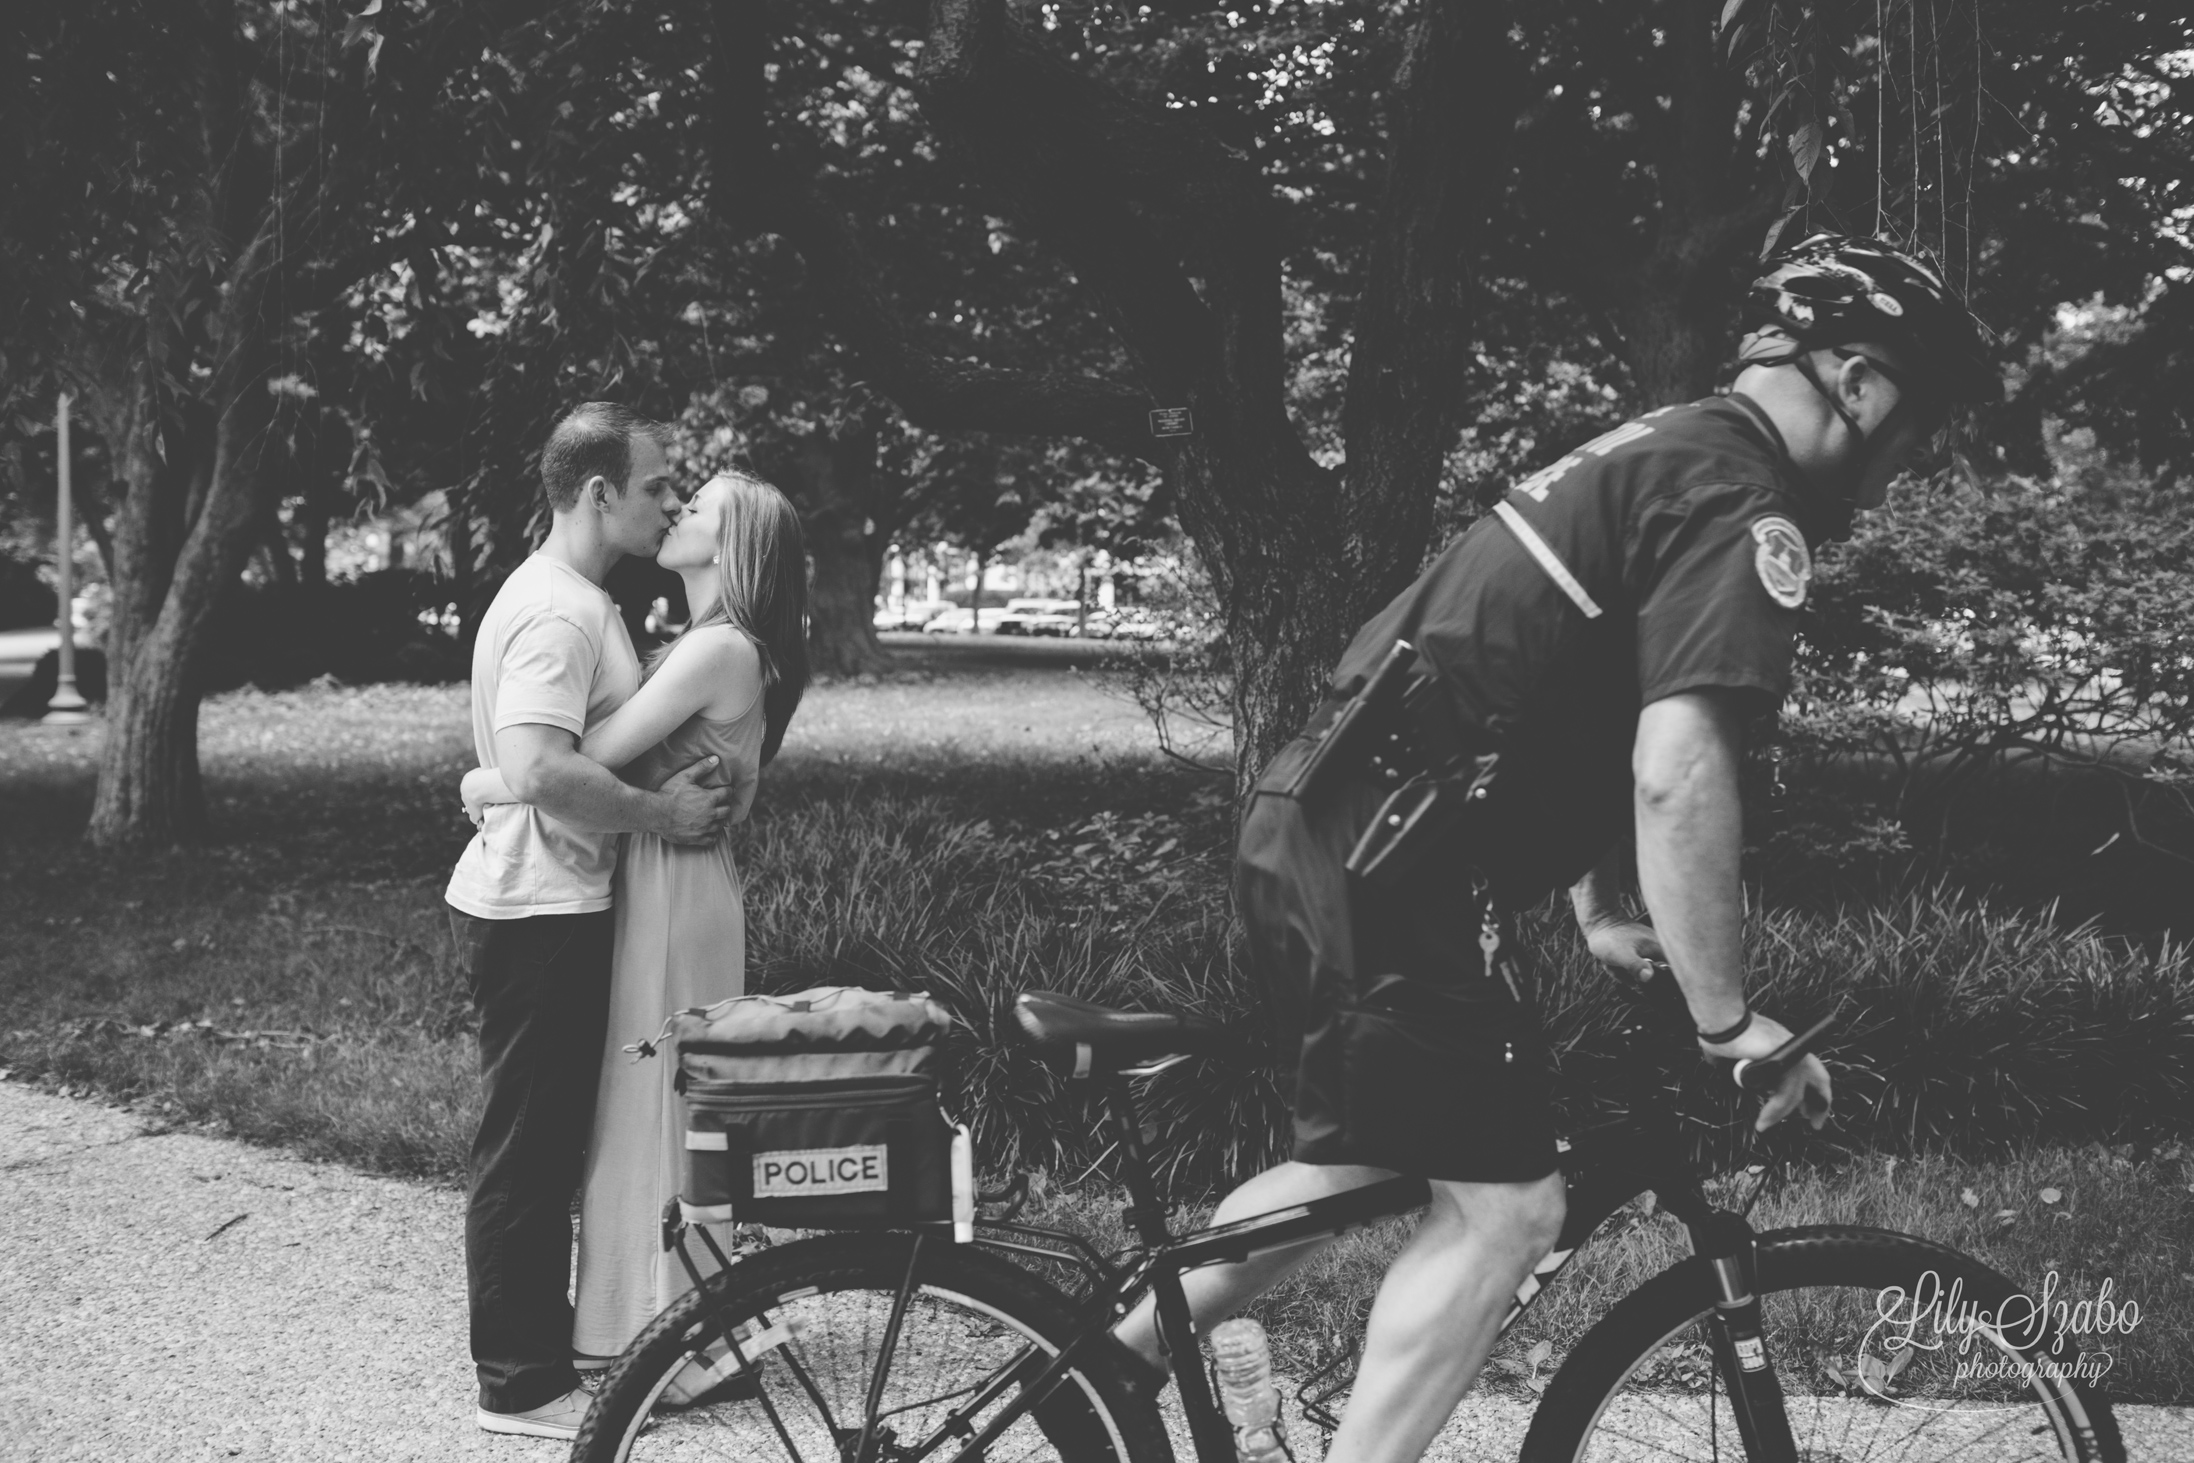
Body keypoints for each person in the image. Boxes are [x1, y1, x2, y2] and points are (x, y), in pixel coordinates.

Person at [1111, 234, 2000, 1463]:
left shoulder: (1673, 449)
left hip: (1337, 830)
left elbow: (1564, 692)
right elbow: (1677, 766)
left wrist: (1592, 906)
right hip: (1387, 856)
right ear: (1857, 380)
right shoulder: (1737, 501)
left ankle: (1094, 1371)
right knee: (1508, 1206)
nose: (1902, 467)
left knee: (1363, 1161)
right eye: (1915, 426)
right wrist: (1725, 1017)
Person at [462, 469, 811, 1374]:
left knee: (663, 1111)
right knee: (645, 1108)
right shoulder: (706, 641)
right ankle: (637, 1326)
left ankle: (675, 1342)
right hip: (667, 874)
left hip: (678, 886)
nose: (677, 508)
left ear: (735, 547)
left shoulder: (721, 647)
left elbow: (590, 758)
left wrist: (485, 782)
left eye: (699, 507)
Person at [444, 403, 737, 1441]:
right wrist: (664, 813)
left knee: (544, 1136)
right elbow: (535, 764)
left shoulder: (577, 598)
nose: (672, 501)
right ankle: (517, 1382)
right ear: (601, 492)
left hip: (551, 897)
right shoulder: (561, 609)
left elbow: (514, 766)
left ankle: (543, 1348)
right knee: (527, 1144)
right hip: (538, 910)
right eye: (658, 486)